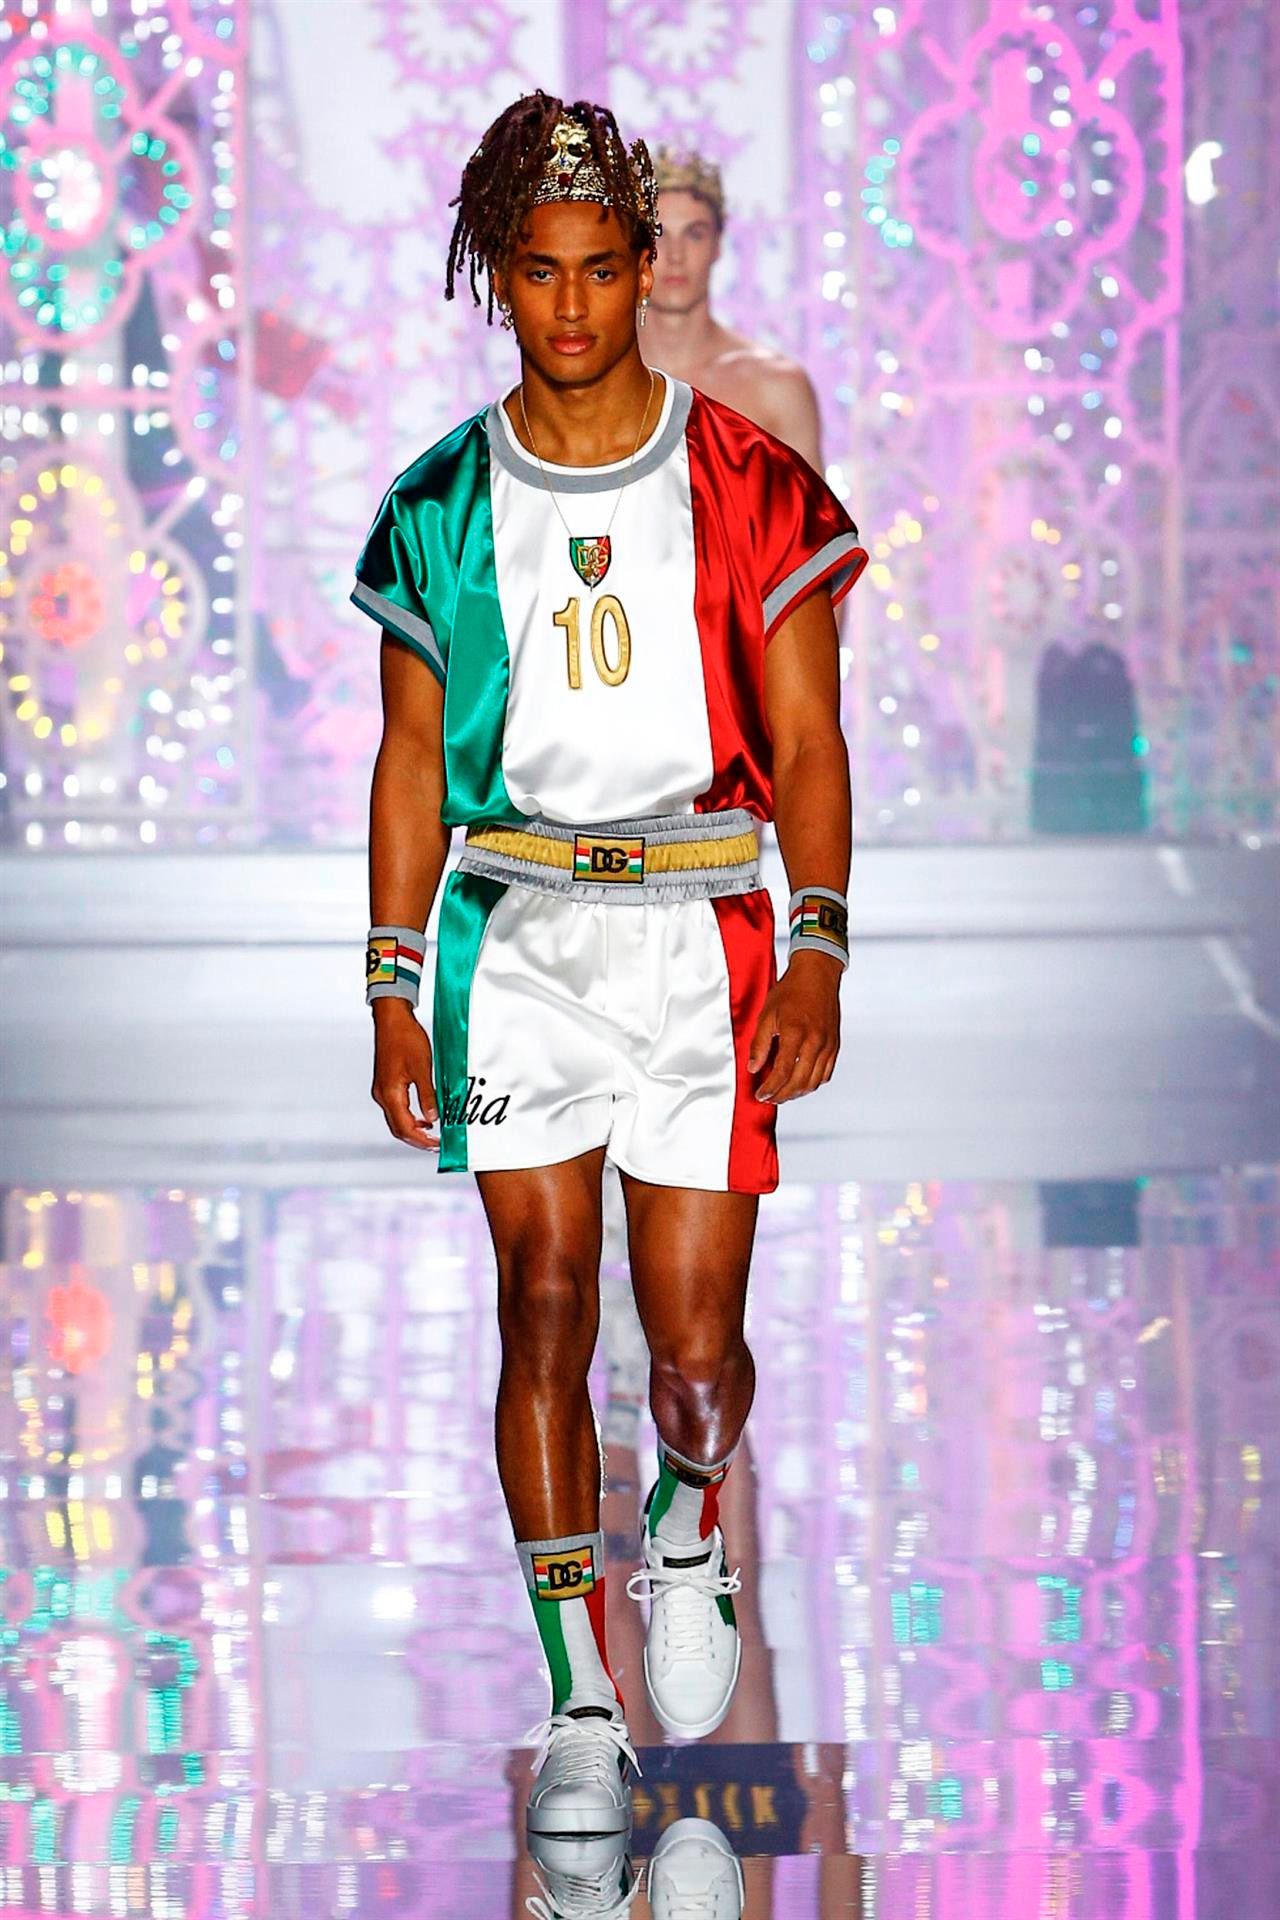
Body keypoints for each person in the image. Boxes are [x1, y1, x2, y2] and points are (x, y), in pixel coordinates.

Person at [350, 87, 866, 1908]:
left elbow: (810, 735)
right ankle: (581, 1696)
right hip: (519, 937)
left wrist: (820, 942)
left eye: (598, 268)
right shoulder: (438, 503)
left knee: (698, 1352)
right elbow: (407, 763)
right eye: (539, 272)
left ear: (642, 267)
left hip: (707, 932)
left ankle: (689, 1522)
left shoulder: (747, 478)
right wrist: (392, 983)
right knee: (546, 1307)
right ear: (497, 279)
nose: (570, 305)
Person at [640, 148, 824, 471]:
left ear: (717, 244)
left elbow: (811, 506)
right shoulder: (590, 380)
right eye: (659, 234)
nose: (676, 255)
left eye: (694, 234)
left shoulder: (777, 387)